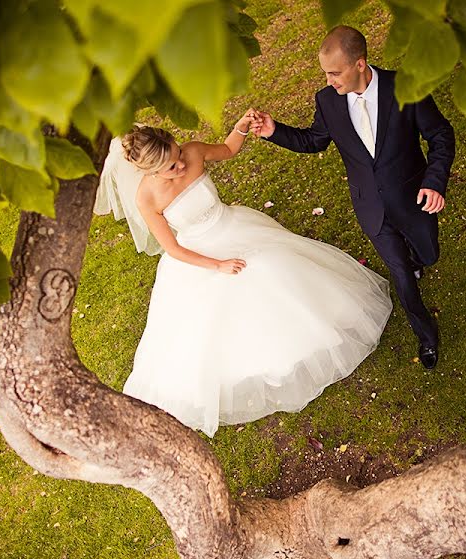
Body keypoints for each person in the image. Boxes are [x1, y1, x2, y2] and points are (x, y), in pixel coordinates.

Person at [93, 113, 392, 437]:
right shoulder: (146, 199)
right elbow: (175, 250)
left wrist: (240, 127)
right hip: (199, 253)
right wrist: (218, 265)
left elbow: (227, 150)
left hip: (233, 225)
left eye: (178, 156)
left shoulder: (192, 152)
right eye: (171, 167)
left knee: (275, 264)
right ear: (150, 172)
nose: (180, 166)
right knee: (234, 294)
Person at [251, 25, 455, 369]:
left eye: (335, 72)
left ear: (360, 64)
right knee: (401, 275)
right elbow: (314, 140)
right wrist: (275, 131)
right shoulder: (328, 101)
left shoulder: (405, 87)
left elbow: (440, 135)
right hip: (370, 207)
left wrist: (434, 182)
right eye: (325, 74)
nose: (329, 81)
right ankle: (426, 334)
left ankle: (419, 259)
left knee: (427, 253)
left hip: (412, 197)